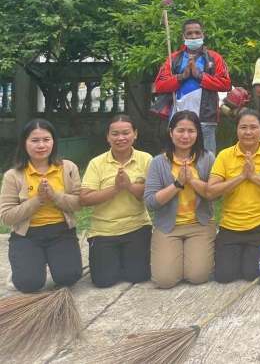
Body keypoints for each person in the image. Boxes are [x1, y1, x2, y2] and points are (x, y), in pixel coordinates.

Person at [0, 120, 83, 293]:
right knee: (28, 284)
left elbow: (78, 204)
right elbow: (6, 217)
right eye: (34, 140)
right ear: (24, 143)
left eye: (46, 139)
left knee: (69, 277)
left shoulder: (68, 168)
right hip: (27, 236)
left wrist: (55, 196)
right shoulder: (13, 175)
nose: (41, 145)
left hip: (62, 232)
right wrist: (38, 200)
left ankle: (46, 260)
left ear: (54, 141)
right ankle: (23, 267)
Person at [207, 109, 260, 283]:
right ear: (237, 130)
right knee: (224, 276)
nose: (248, 132)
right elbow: (211, 191)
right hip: (231, 226)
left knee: (252, 274)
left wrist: (254, 177)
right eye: (243, 127)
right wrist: (242, 177)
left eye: (253, 127)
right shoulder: (225, 155)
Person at [144, 110, 216, 289]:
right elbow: (151, 202)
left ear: (198, 133)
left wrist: (192, 180)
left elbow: (215, 194)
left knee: (197, 276)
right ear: (171, 132)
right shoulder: (158, 162)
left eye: (191, 131)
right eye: (180, 130)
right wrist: (178, 184)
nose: (185, 136)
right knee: (164, 280)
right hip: (168, 227)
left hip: (200, 224)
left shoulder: (207, 158)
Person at [80, 115, 153, 287]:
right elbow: (85, 198)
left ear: (135, 134)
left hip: (136, 226)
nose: (121, 138)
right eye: (115, 134)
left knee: (139, 275)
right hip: (104, 230)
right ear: (107, 137)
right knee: (103, 281)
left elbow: (153, 192)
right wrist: (115, 188)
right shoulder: (97, 163)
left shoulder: (146, 159)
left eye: (126, 133)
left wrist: (130, 186)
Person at [154, 19, 232, 154]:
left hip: (206, 119)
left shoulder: (215, 58)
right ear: (183, 36)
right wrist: (182, 77)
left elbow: (226, 83)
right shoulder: (173, 58)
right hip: (177, 118)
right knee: (176, 157)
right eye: (189, 33)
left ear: (203, 34)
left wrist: (199, 76)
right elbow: (159, 85)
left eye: (197, 33)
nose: (194, 36)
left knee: (206, 158)